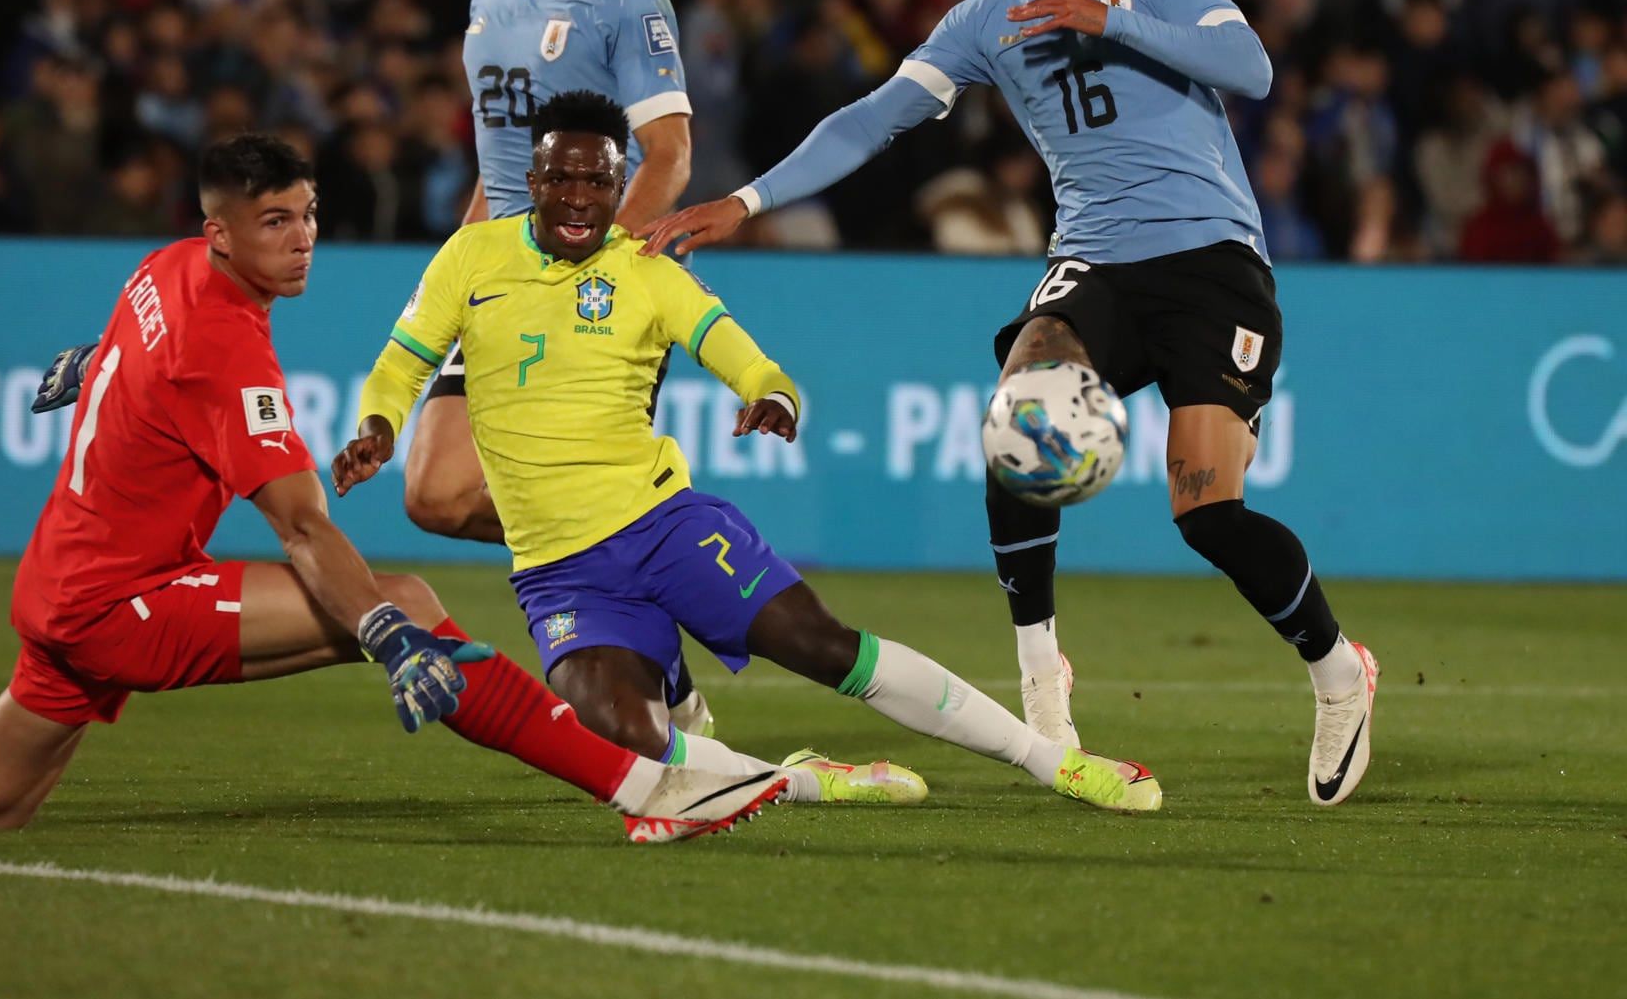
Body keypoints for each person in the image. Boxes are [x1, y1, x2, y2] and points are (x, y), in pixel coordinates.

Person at [0, 134, 780, 844]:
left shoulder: (165, 266)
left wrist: (96, 366)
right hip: (120, 604)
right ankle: (649, 790)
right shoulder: (227, 349)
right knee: (400, 600)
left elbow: (135, 341)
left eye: (308, 214)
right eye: (276, 222)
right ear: (224, 230)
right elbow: (305, 525)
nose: (302, 236)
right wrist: (387, 638)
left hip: (60, 586)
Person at [639, 0, 1378, 807]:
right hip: (1096, 263)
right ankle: (1042, 673)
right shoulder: (989, 12)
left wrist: (1104, 18)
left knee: (1207, 510)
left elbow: (1253, 70)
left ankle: (1339, 672)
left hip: (1212, 262)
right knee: (1018, 411)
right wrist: (745, 200)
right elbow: (876, 118)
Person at [333, 91, 1162, 813]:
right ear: (533, 183)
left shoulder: (647, 269)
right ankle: (803, 778)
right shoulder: (470, 258)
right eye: (562, 180)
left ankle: (1054, 761)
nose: (579, 199)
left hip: (664, 527)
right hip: (560, 568)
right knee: (623, 736)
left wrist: (772, 396)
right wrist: (378, 421)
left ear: (621, 184)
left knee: (827, 649)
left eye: (598, 180)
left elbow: (748, 359)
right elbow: (404, 360)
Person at [407, 0, 716, 740]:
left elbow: (668, 153)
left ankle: (661, 638)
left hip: (592, 292)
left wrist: (597, 273)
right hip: (499, 281)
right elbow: (498, 164)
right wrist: (457, 274)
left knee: (488, 491)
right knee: (432, 492)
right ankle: (652, 570)